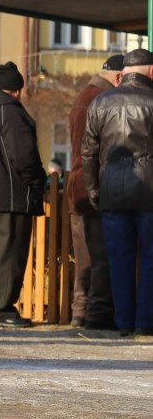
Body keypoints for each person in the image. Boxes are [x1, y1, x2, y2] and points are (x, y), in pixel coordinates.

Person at [81, 48, 153, 338]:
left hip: (112, 189)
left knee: (119, 259)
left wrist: (93, 190)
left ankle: (123, 322)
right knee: (149, 259)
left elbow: (88, 152)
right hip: (149, 190)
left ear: (125, 72)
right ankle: (146, 323)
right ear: (151, 71)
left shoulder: (100, 101)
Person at [0, 61, 45, 328]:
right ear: (15, 90)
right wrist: (37, 183)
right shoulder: (10, 113)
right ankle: (1, 308)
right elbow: (24, 156)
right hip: (13, 195)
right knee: (11, 253)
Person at [66, 54, 122, 330]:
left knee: (85, 259)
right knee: (99, 257)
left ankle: (80, 312)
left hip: (78, 188)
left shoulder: (86, 96)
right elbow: (92, 152)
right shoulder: (100, 99)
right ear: (117, 76)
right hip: (91, 188)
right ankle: (97, 315)